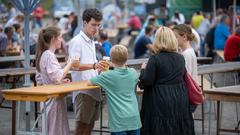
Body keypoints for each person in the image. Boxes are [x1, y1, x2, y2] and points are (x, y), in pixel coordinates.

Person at [139, 26, 195, 135]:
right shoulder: (180, 58)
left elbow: (147, 81)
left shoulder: (155, 59)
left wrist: (142, 70)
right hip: (179, 98)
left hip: (159, 100)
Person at [89, 45, 142, 135]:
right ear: (126, 58)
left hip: (118, 121)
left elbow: (90, 82)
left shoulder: (107, 76)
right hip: (134, 118)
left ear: (111, 60)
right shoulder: (133, 72)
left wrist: (101, 72)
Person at [68, 8, 105, 135]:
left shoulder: (91, 41)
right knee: (81, 125)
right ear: (84, 22)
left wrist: (100, 70)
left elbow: (91, 66)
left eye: (98, 25)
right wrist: (94, 65)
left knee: (90, 125)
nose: (96, 28)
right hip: (83, 90)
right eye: (93, 25)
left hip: (93, 88)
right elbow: (73, 65)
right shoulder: (77, 41)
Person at [35, 26, 76, 135]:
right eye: (60, 37)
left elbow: (42, 78)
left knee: (52, 128)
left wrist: (59, 82)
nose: (62, 40)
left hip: (49, 98)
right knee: (56, 129)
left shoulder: (44, 54)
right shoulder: (49, 55)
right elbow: (57, 76)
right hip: (53, 99)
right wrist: (70, 64)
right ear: (54, 38)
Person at [173, 24, 198, 113]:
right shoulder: (188, 52)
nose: (174, 40)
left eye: (176, 37)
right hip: (189, 93)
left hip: (187, 94)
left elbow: (185, 77)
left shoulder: (186, 54)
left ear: (184, 37)